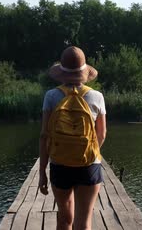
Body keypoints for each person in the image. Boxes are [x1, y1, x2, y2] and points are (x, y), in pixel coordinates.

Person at [39, 46, 107, 230]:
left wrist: (42, 172)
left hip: (60, 164)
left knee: (64, 219)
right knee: (83, 223)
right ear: (84, 71)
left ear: (62, 72)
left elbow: (44, 136)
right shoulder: (97, 96)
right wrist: (89, 152)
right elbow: (101, 134)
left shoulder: (51, 96)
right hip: (89, 166)